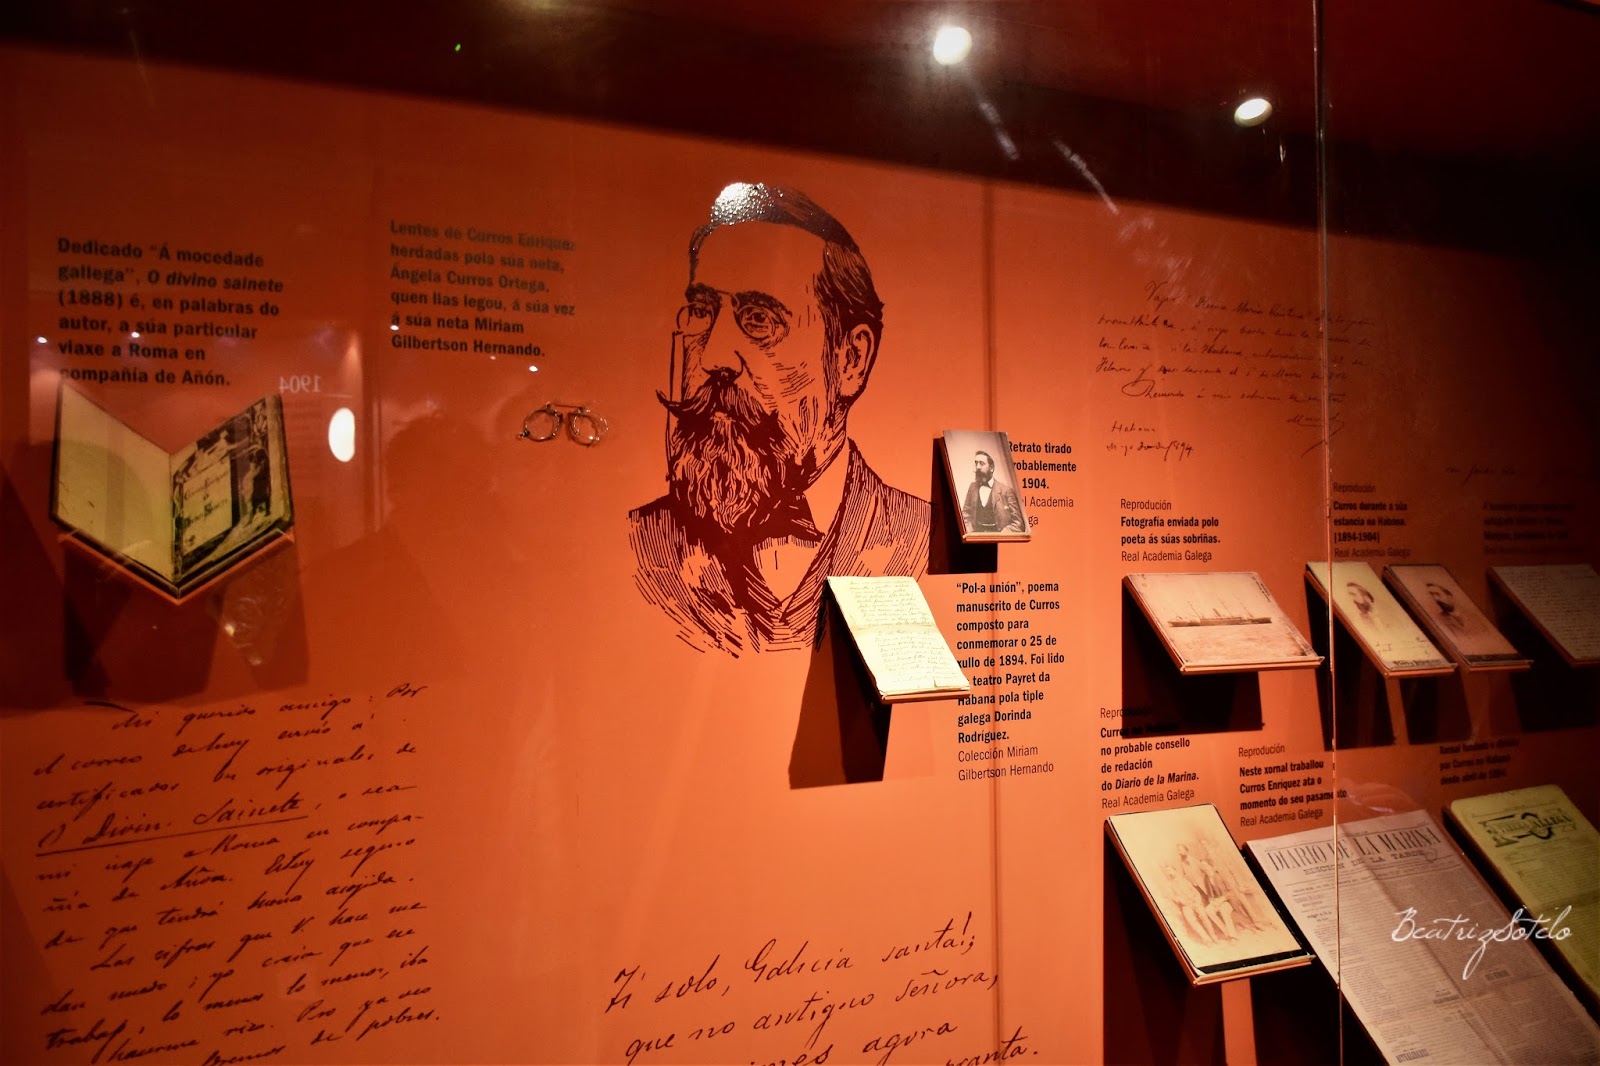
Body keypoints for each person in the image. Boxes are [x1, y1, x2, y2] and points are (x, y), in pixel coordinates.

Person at [629, 183, 929, 655]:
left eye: (758, 320)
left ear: (851, 359)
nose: (712, 357)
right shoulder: (639, 545)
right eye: (702, 312)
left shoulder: (920, 540)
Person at [961, 449, 1024, 534]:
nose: (978, 467)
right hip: (976, 539)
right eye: (976, 463)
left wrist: (1001, 536)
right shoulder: (972, 488)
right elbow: (965, 515)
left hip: (999, 539)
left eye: (982, 463)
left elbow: (1018, 524)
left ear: (991, 468)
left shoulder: (1006, 491)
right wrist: (970, 532)